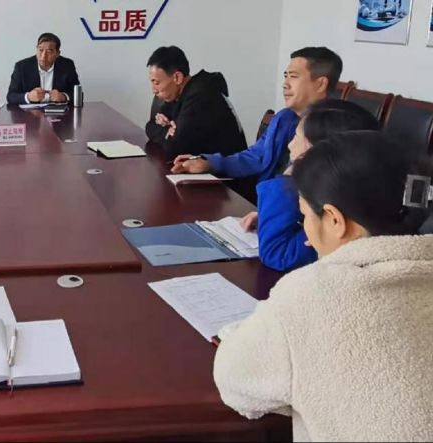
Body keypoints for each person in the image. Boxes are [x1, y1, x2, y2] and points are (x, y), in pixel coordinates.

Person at [214, 131, 433, 441]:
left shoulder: (309, 296)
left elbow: (235, 383)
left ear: (334, 220)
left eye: (304, 215)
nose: (305, 231)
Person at [171, 47, 343, 188]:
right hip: (263, 201)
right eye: (285, 76)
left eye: (293, 77)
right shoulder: (284, 118)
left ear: (320, 84)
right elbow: (256, 156)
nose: (285, 84)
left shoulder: (333, 131)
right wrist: (210, 163)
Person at [240, 99, 378, 271]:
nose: (290, 144)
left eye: (296, 137)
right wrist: (272, 216)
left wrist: (288, 177)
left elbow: (277, 254)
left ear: (316, 151)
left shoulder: (336, 217)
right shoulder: (348, 190)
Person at [145, 46, 247, 158]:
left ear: (177, 78)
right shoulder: (178, 94)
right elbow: (150, 125)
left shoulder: (200, 95)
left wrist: (168, 131)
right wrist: (167, 130)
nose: (153, 90)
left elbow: (174, 147)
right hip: (203, 163)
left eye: (156, 83)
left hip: (226, 167)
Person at [6, 33, 81, 105]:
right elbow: (11, 96)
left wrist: (64, 97)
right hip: (30, 113)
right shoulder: (22, 67)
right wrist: (28, 97)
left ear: (57, 53)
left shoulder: (67, 65)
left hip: (58, 112)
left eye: (49, 51)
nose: (43, 56)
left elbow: (78, 94)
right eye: (40, 50)